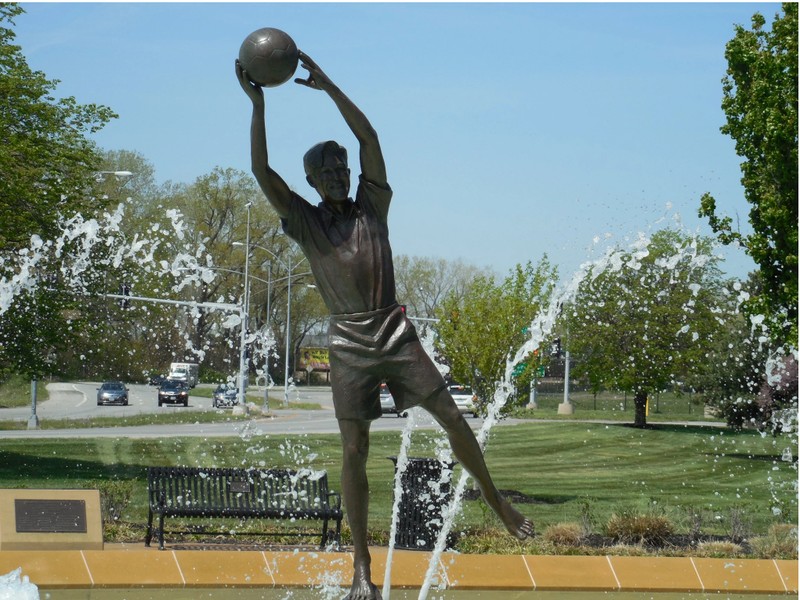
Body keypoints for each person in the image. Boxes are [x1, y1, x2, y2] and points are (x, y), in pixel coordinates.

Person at [236, 52, 533, 600]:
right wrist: (258, 106)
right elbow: (261, 171)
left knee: (450, 414)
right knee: (354, 450)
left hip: (393, 331)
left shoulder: (373, 204)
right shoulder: (303, 221)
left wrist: (328, 87)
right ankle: (360, 569)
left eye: (340, 169)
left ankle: (495, 499)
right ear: (310, 180)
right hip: (347, 341)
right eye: (323, 172)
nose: (335, 177)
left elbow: (369, 135)